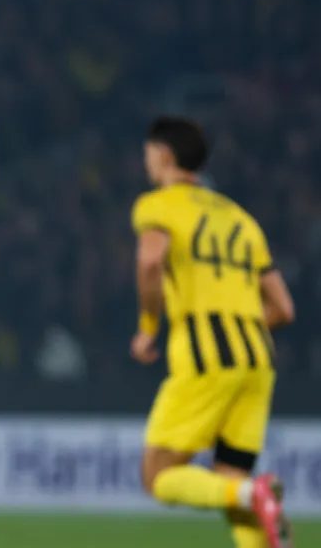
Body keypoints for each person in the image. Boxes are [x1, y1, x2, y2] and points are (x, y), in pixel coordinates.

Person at [130, 116, 296, 548]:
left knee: (158, 476)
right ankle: (252, 495)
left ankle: (253, 492)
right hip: (258, 359)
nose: (146, 161)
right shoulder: (241, 219)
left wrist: (149, 327)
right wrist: (239, 325)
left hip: (205, 357)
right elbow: (283, 307)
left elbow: (150, 261)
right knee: (229, 480)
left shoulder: (158, 205)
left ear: (164, 155)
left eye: (148, 153)